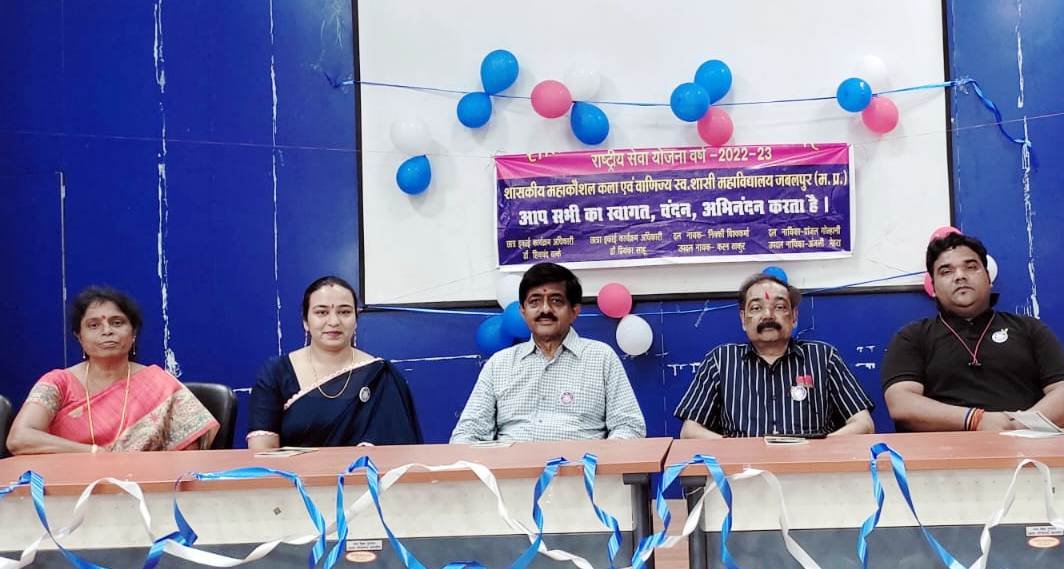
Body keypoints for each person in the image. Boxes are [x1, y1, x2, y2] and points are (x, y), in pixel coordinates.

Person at [881, 233, 1064, 431]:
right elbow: (901, 403)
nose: (960, 276)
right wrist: (976, 420)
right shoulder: (912, 336)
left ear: (989, 279)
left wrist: (1016, 426)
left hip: (1024, 443)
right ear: (932, 287)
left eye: (971, 267)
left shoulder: (1029, 329)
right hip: (942, 449)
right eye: (946, 271)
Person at [7, 286, 219, 454]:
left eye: (117, 323)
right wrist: (93, 453)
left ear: (133, 334)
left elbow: (189, 451)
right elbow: (19, 439)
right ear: (79, 337)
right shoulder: (58, 383)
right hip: (70, 486)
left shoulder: (160, 384)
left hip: (144, 486)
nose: (107, 331)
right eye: (94, 325)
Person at [450, 262, 646, 442]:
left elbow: (629, 426)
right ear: (523, 311)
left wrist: (600, 460)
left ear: (574, 311)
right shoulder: (499, 364)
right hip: (513, 468)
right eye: (534, 301)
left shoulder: (601, 357)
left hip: (583, 467)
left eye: (556, 301)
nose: (545, 310)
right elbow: (468, 432)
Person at [675, 273, 874, 438]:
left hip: (811, 468)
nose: (768, 315)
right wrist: (734, 450)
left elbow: (863, 424)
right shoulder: (721, 361)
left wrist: (819, 448)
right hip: (742, 469)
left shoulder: (823, 357)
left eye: (779, 307)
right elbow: (690, 431)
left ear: (794, 317)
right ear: (743, 319)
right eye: (756, 308)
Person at [247, 276, 423, 448]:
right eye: (321, 312)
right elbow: (262, 451)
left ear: (356, 320)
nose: (334, 321)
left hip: (364, 469)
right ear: (305, 321)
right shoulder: (277, 372)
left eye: (344, 312)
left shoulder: (380, 376)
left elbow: (397, 453)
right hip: (293, 469)